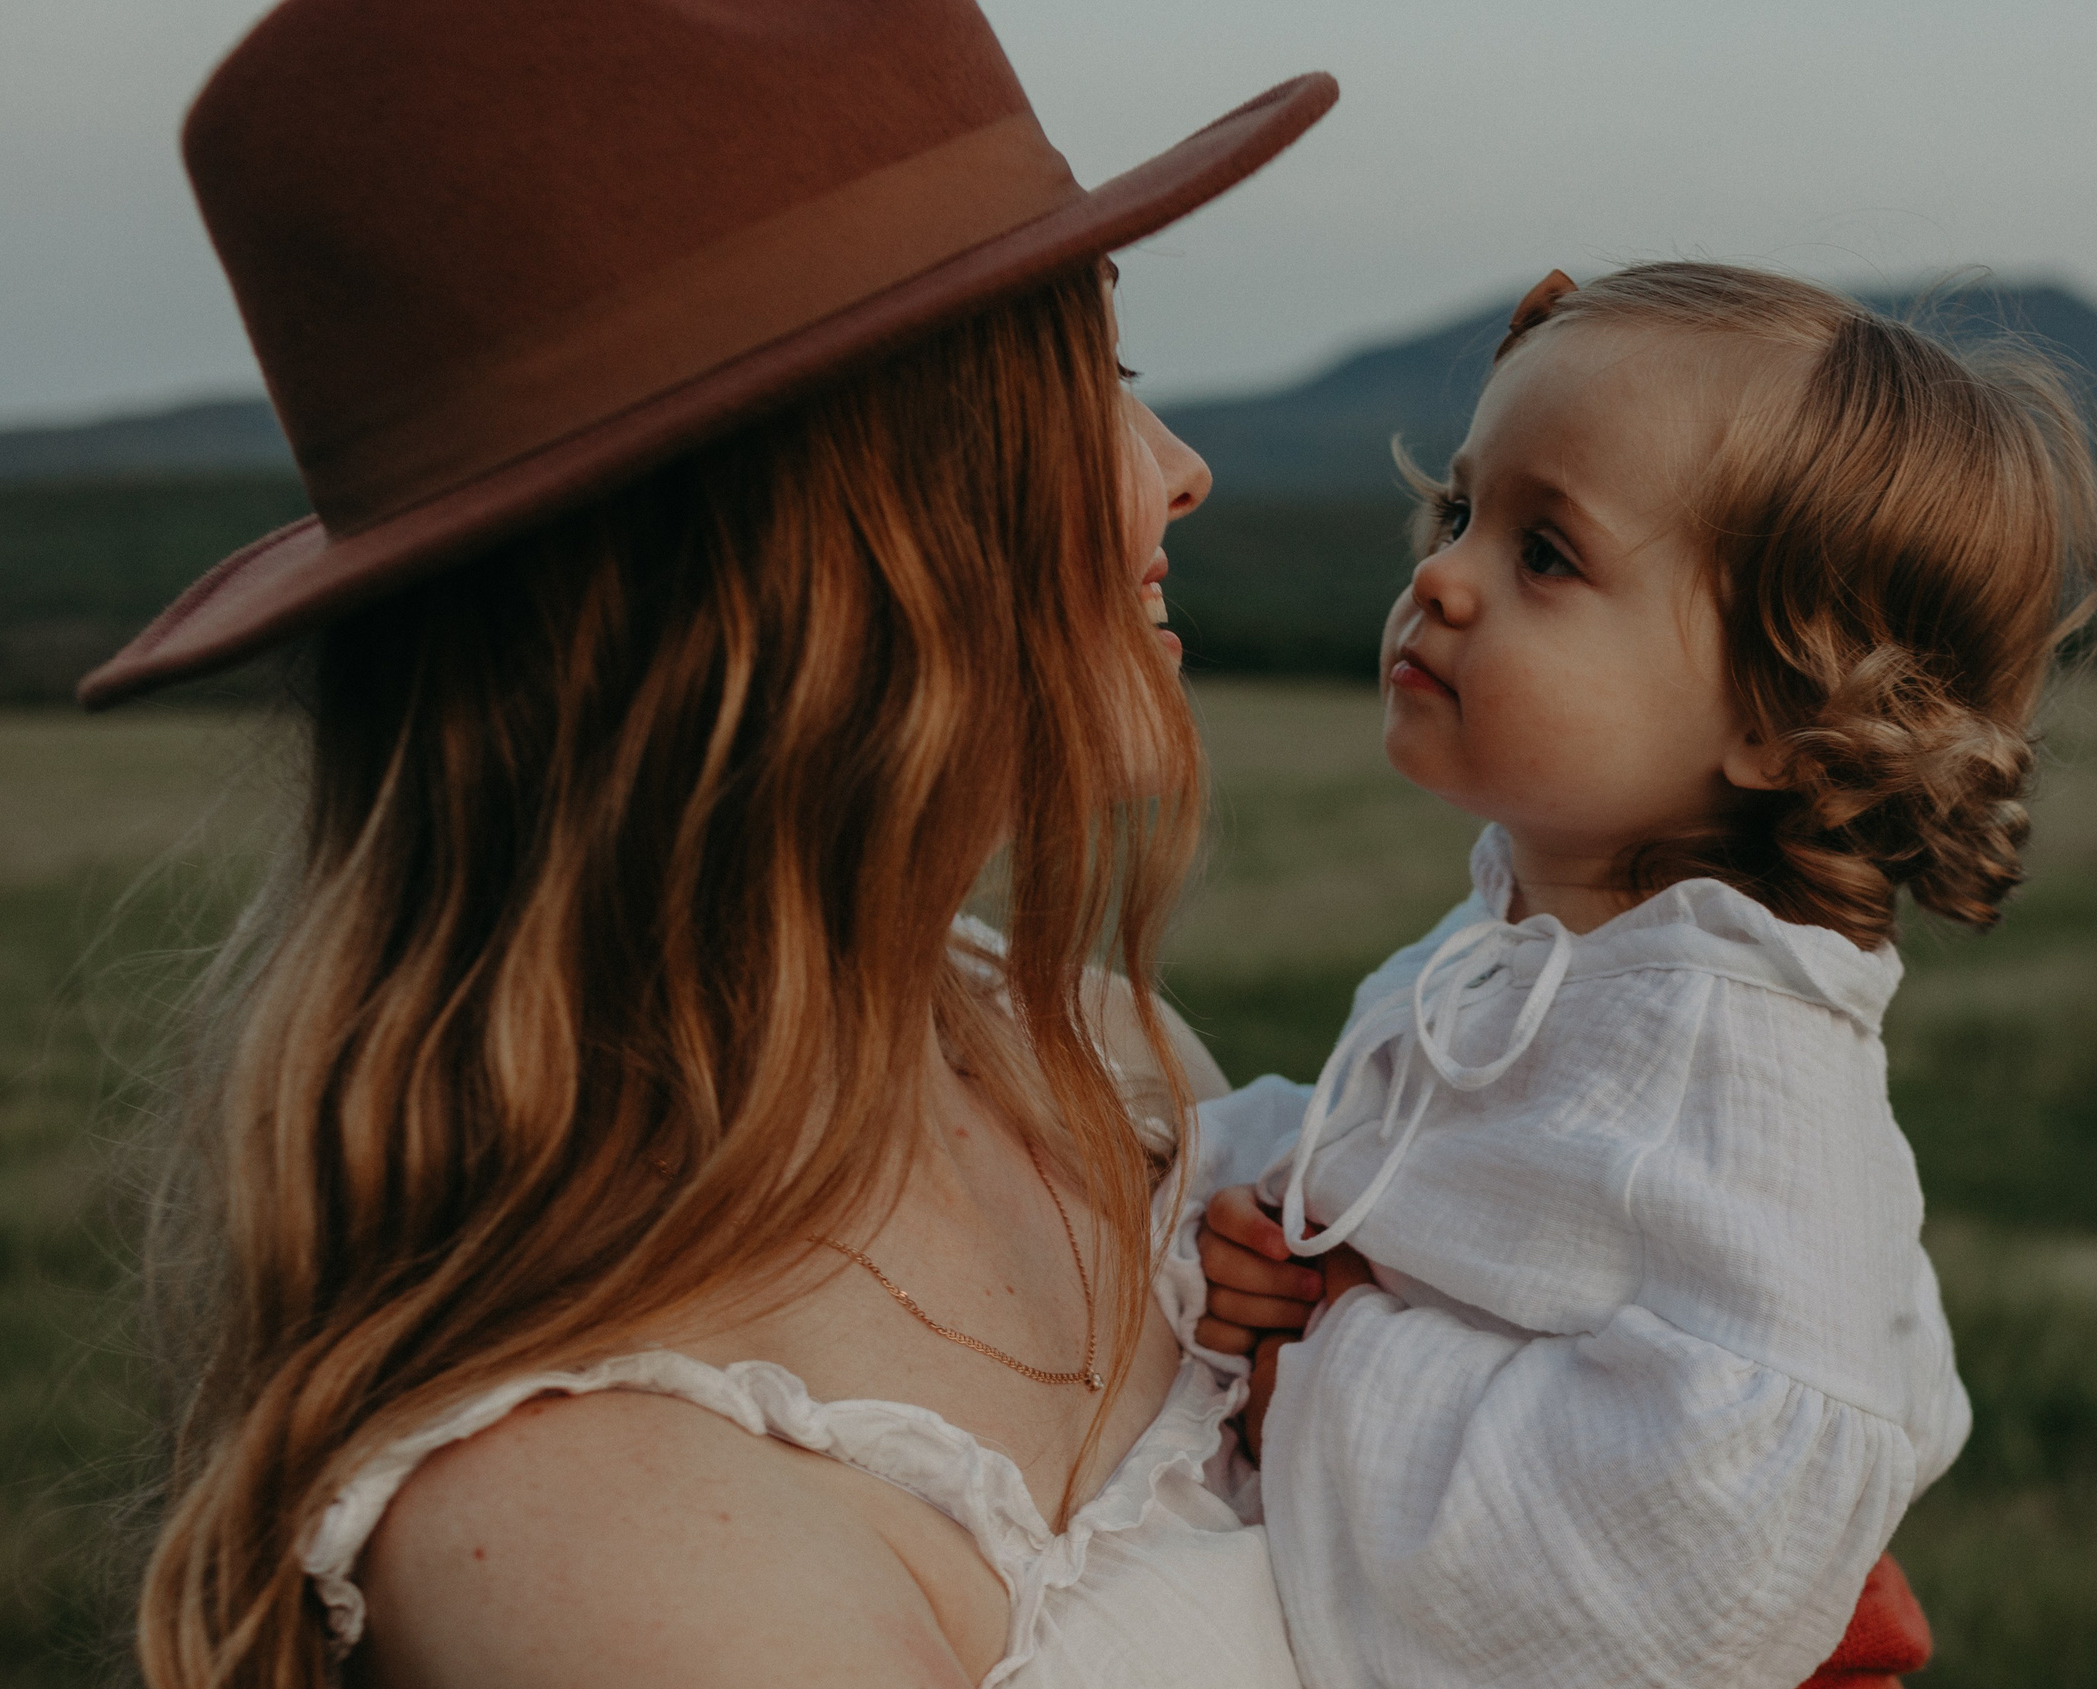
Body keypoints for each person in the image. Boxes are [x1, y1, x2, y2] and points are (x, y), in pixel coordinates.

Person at [90, 3, 1337, 1685]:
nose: (1177, 471)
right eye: (1093, 376)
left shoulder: (1103, 1071)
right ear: (819, 542)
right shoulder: (589, 1529)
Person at [1172, 262, 2097, 1689]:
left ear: (1784, 718)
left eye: (1546, 552)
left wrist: (1320, 1355)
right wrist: (1258, 1208)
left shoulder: (1736, 1056)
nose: (1440, 572)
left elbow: (1713, 1517)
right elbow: (1451, 1189)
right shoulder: (1551, 945)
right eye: (1459, 509)